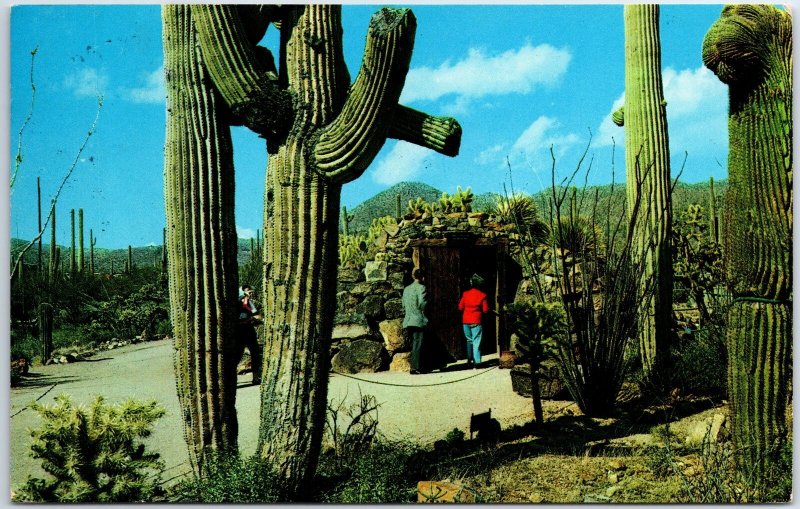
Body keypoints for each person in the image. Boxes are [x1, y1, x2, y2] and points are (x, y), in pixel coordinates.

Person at [458, 274, 489, 369]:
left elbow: (460, 307)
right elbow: (485, 310)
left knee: (469, 340)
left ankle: (469, 360)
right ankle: (477, 362)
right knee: (476, 341)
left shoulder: (465, 294)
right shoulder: (482, 295)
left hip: (466, 321)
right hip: (476, 320)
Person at [402, 268, 428, 375]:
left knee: (413, 343)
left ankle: (414, 365)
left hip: (408, 319)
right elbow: (422, 303)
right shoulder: (422, 288)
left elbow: (403, 305)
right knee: (418, 343)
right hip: (417, 319)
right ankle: (415, 367)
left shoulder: (406, 289)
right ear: (422, 277)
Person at [236, 284, 263, 385]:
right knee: (238, 353)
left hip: (248, 329)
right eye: (249, 292)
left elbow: (254, 314)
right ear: (243, 291)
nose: (251, 294)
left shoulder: (249, 302)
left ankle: (256, 378)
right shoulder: (238, 301)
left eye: (252, 292)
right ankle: (230, 378)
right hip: (240, 330)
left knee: (255, 352)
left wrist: (258, 319)